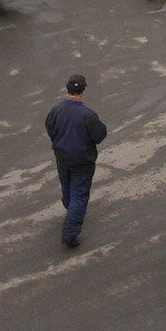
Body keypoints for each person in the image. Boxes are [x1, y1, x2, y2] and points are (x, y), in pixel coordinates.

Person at [44, 75, 108, 248]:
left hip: (62, 157)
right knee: (80, 194)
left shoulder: (56, 110)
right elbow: (99, 135)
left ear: (68, 89)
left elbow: (50, 128)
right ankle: (70, 233)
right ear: (83, 91)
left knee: (67, 185)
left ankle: (70, 207)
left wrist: (58, 142)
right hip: (82, 160)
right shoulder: (87, 114)